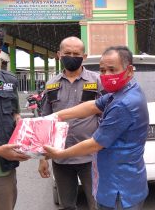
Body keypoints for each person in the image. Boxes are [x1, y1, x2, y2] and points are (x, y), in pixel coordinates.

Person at [43, 46, 149, 210]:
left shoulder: (124, 103)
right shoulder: (121, 92)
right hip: (119, 180)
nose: (106, 75)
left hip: (119, 190)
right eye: (102, 70)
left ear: (129, 71)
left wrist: (61, 153)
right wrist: (56, 116)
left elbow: (95, 144)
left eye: (112, 70)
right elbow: (93, 106)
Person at [38, 36, 102, 210]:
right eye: (67, 53)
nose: (72, 56)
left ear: (84, 56)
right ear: (59, 55)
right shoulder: (51, 85)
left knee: (97, 203)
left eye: (76, 53)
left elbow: (106, 117)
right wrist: (43, 158)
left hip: (92, 157)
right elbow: (46, 121)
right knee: (67, 205)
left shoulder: (97, 81)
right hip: (61, 158)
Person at [0, 25, 29, 210]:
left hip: (1, 171)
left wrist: (28, 135)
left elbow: (15, 114)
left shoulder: (9, 81)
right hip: (0, 154)